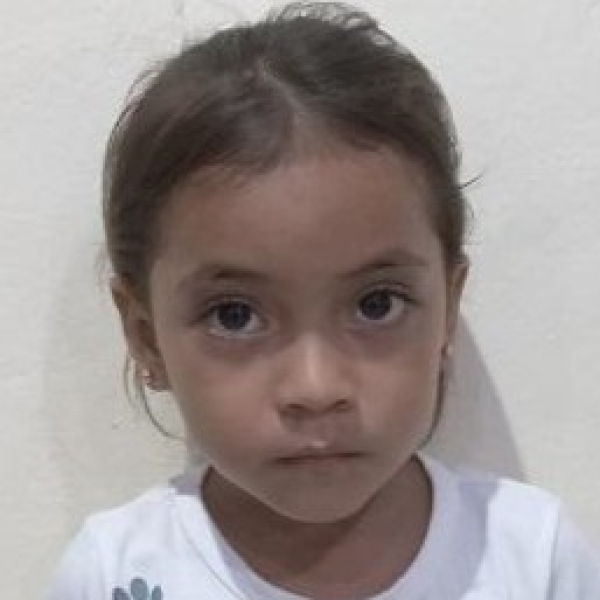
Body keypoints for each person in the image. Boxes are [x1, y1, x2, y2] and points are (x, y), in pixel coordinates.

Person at [47, 2, 600, 598]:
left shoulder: (531, 557)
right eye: (235, 315)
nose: (316, 388)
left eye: (377, 304)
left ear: (446, 306)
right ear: (146, 337)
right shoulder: (112, 573)